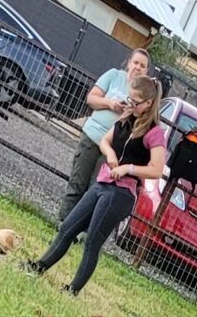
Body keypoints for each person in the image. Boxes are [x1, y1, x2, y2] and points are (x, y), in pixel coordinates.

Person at [32, 80, 169, 296]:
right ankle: (38, 267)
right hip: (103, 182)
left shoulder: (154, 133)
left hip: (121, 193)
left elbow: (156, 169)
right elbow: (105, 141)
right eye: (129, 99)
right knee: (67, 228)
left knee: (92, 242)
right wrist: (111, 154)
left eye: (135, 101)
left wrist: (128, 168)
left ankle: (72, 290)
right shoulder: (125, 119)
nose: (130, 104)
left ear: (149, 103)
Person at [57, 43, 153, 228]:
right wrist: (110, 103)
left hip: (113, 149)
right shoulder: (113, 76)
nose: (138, 67)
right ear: (128, 63)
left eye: (142, 65)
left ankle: (80, 230)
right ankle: (63, 223)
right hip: (92, 136)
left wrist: (130, 111)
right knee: (77, 181)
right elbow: (91, 99)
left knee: (95, 190)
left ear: (146, 71)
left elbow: (142, 123)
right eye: (136, 62)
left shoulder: (143, 95)